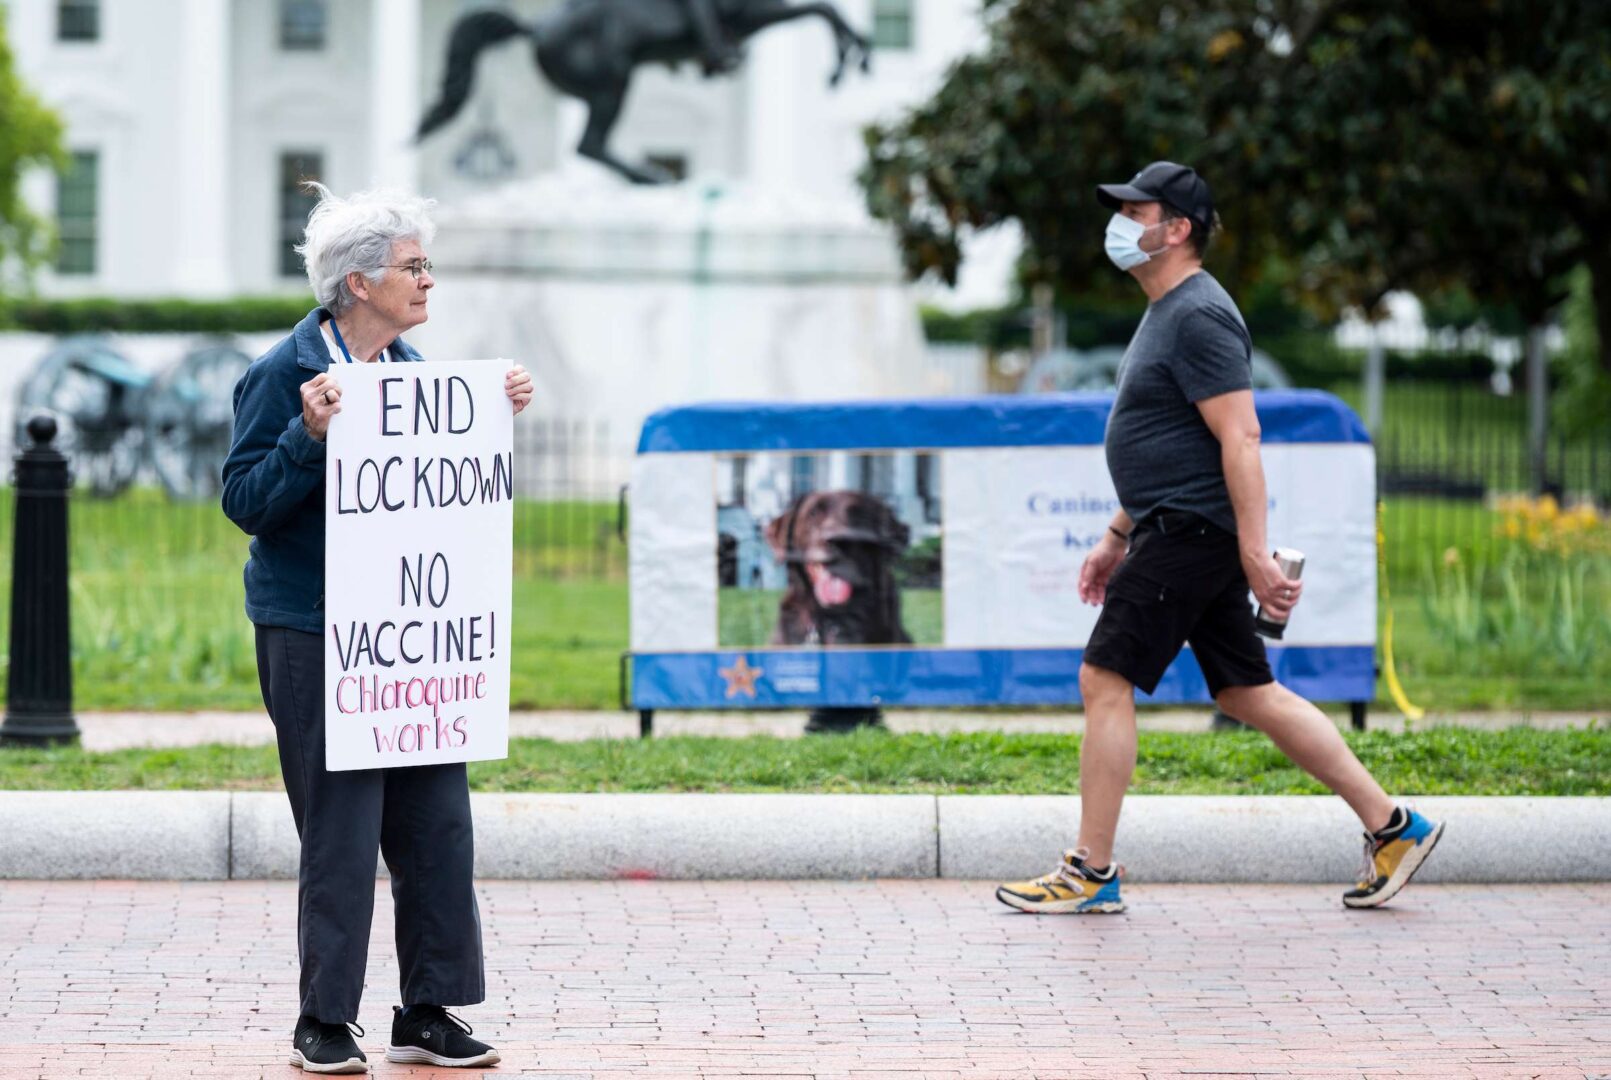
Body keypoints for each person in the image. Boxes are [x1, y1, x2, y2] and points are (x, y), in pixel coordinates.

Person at [996, 162, 1443, 916]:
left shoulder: (1198, 313)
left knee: (1103, 680)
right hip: (1175, 528)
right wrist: (1114, 535)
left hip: (1191, 535)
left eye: (1136, 212)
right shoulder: (1166, 309)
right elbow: (1173, 444)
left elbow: (1239, 439)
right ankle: (1394, 827)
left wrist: (1250, 553)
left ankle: (1090, 871)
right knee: (1247, 691)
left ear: (1177, 229)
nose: (1121, 223)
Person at [222, 185, 534, 1072]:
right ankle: (323, 1020)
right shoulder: (283, 373)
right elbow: (244, 501)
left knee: (436, 822)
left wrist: (487, 415)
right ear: (358, 284)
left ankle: (428, 1010)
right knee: (341, 830)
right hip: (316, 633)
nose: (428, 279)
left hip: (409, 636)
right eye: (414, 266)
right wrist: (307, 435)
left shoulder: (414, 375)